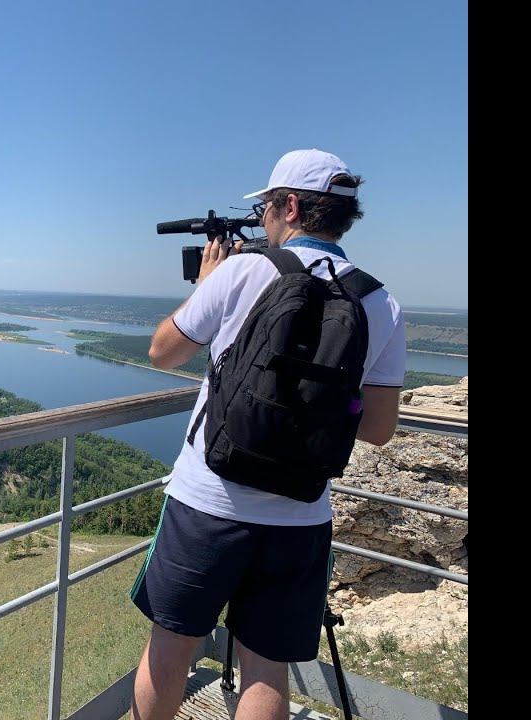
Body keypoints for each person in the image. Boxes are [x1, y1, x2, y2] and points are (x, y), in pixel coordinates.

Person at [128, 149, 406, 720]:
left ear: (292, 206)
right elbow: (379, 429)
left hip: (209, 502)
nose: (263, 220)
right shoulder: (380, 301)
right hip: (301, 515)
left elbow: (162, 353)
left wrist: (207, 284)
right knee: (266, 668)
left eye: (267, 208)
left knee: (171, 645)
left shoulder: (242, 271)